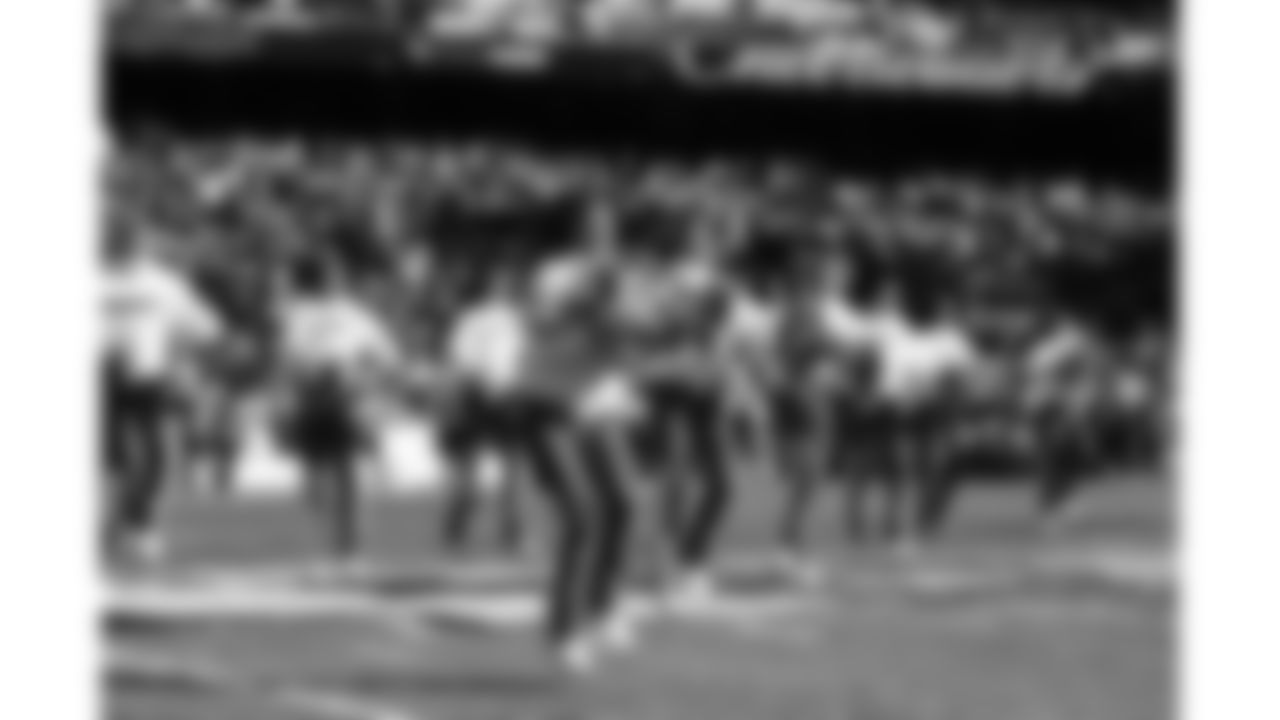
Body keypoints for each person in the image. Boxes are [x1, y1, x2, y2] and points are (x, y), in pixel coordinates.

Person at [101, 229, 225, 565]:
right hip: (110, 376)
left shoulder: (161, 283)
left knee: (150, 458)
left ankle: (132, 525)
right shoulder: (94, 278)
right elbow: (209, 329)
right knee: (125, 461)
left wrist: (181, 356)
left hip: (144, 376)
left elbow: (207, 328)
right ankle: (129, 527)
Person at [273, 255, 400, 559]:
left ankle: (348, 543)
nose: (332, 283)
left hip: (345, 395)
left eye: (335, 276)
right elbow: (288, 360)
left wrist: (361, 379)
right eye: (327, 276)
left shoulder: (355, 315)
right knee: (316, 475)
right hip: (311, 396)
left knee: (348, 469)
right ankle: (329, 539)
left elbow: (387, 357)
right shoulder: (298, 313)